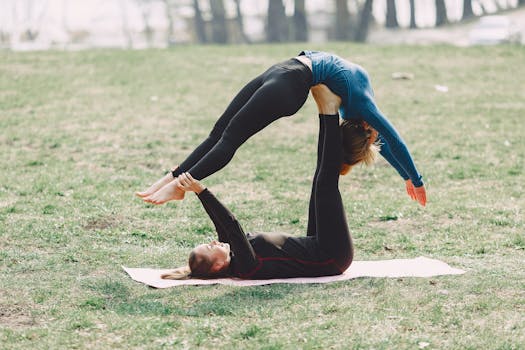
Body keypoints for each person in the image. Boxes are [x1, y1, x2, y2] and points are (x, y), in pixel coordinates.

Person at [136, 51, 426, 206]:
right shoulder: (361, 109)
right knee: (219, 133)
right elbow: (392, 142)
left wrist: (413, 178)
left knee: (229, 139)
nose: (379, 136)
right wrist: (411, 178)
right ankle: (172, 178)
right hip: (282, 73)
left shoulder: (360, 108)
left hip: (288, 84)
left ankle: (180, 186)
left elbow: (389, 142)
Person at [161, 113, 353, 280]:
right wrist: (202, 190)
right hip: (332, 257)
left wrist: (198, 193)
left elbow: (220, 222)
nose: (213, 242)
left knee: (321, 177)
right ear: (218, 266)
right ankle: (329, 113)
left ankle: (326, 113)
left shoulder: (234, 254)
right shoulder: (246, 267)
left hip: (316, 243)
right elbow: (231, 224)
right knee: (325, 181)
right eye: (210, 248)